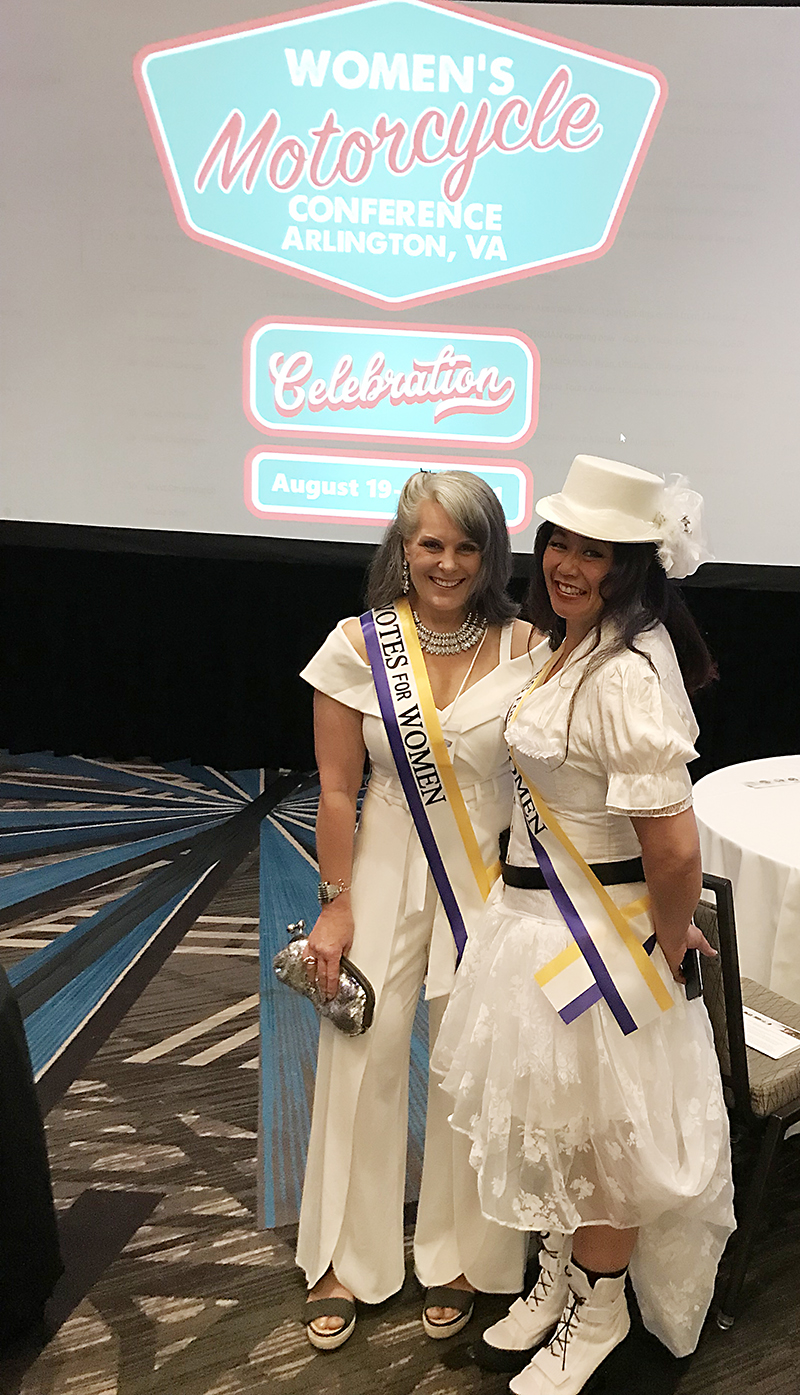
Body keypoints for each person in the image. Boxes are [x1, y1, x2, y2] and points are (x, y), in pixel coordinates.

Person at [432, 455, 736, 1395]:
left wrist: (663, 935)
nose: (565, 562)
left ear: (633, 565)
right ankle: (563, 1279)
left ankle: (598, 1311)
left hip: (600, 941)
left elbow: (674, 848)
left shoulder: (630, 675)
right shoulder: (573, 641)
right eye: (559, 540)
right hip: (532, 923)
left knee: (604, 1141)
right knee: (556, 1127)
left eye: (593, 551)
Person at [295, 469, 537, 1350]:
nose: (447, 562)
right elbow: (332, 790)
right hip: (388, 854)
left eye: (467, 545)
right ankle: (340, 1256)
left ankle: (464, 1252)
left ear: (489, 553)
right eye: (430, 542)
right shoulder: (359, 644)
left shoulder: (526, 645)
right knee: (364, 1046)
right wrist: (333, 904)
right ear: (403, 545)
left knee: (472, 1060)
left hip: (489, 872)